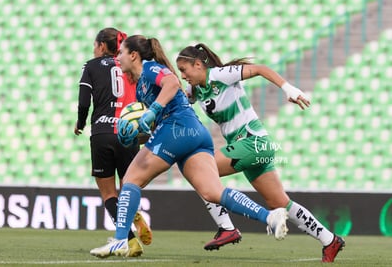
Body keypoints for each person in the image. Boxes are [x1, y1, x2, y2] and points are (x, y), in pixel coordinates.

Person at [89, 35, 289, 258]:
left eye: (121, 53)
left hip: (176, 128)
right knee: (212, 192)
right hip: (193, 133)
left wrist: (153, 109)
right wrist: (135, 137)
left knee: (130, 180)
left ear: (134, 55)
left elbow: (173, 83)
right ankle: (269, 217)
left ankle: (121, 240)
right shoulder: (139, 87)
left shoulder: (150, 69)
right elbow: (153, 126)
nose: (118, 58)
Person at [175, 43, 346, 263]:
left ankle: (226, 228)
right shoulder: (196, 89)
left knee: (200, 172)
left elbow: (259, 69)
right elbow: (180, 99)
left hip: (252, 142)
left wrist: (288, 88)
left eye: (184, 69)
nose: (183, 75)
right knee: (280, 203)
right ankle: (329, 240)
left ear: (198, 64)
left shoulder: (219, 75)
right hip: (255, 147)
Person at [74, 27, 152, 258]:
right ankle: (133, 213)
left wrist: (80, 122)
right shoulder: (130, 65)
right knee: (128, 186)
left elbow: (83, 100)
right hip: (129, 132)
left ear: (101, 46)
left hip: (103, 132)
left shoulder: (91, 65)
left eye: (94, 45)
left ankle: (129, 240)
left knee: (109, 193)